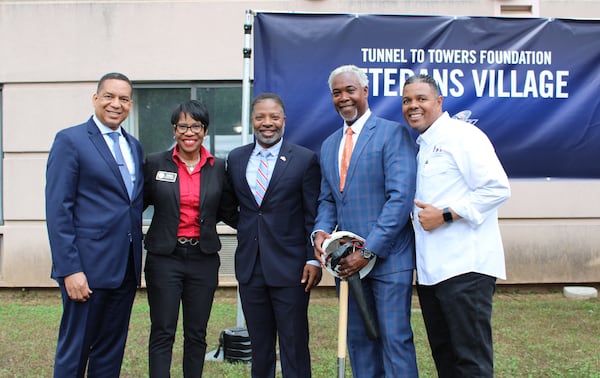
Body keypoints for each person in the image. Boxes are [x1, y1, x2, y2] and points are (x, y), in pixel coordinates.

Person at [401, 73, 511, 377]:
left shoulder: (463, 136)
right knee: (445, 357)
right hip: (432, 272)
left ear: (439, 102)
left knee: (470, 361)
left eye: (421, 99)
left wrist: (446, 214)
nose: (413, 106)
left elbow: (497, 188)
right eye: (407, 100)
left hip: (465, 269)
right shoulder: (423, 145)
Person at [312, 64, 418, 377]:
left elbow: (399, 198)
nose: (343, 98)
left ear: (365, 93)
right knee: (359, 343)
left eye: (350, 90)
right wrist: (319, 233)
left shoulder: (392, 133)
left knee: (394, 340)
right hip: (346, 264)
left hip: (387, 261)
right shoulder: (330, 144)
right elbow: (329, 199)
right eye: (336, 93)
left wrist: (368, 250)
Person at [45, 72, 144, 377]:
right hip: (86, 270)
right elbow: (58, 208)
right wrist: (70, 269)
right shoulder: (70, 140)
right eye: (109, 96)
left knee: (110, 353)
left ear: (130, 104)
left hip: (125, 268)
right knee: (76, 350)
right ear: (96, 99)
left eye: (124, 99)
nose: (116, 104)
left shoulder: (134, 147)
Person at [227, 93, 322, 378]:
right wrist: (249, 228)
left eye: (274, 117)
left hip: (292, 269)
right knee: (260, 347)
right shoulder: (236, 158)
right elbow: (234, 207)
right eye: (260, 117)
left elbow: (311, 215)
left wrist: (313, 260)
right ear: (252, 120)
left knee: (294, 345)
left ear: (284, 120)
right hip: (250, 268)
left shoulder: (304, 160)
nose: (267, 123)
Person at [142, 100, 238, 377]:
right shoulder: (155, 163)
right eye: (182, 126)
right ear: (174, 130)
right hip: (164, 259)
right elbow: (135, 203)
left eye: (195, 126)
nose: (189, 132)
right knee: (163, 330)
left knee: (196, 333)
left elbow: (230, 212)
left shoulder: (218, 167)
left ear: (204, 130)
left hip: (203, 259)